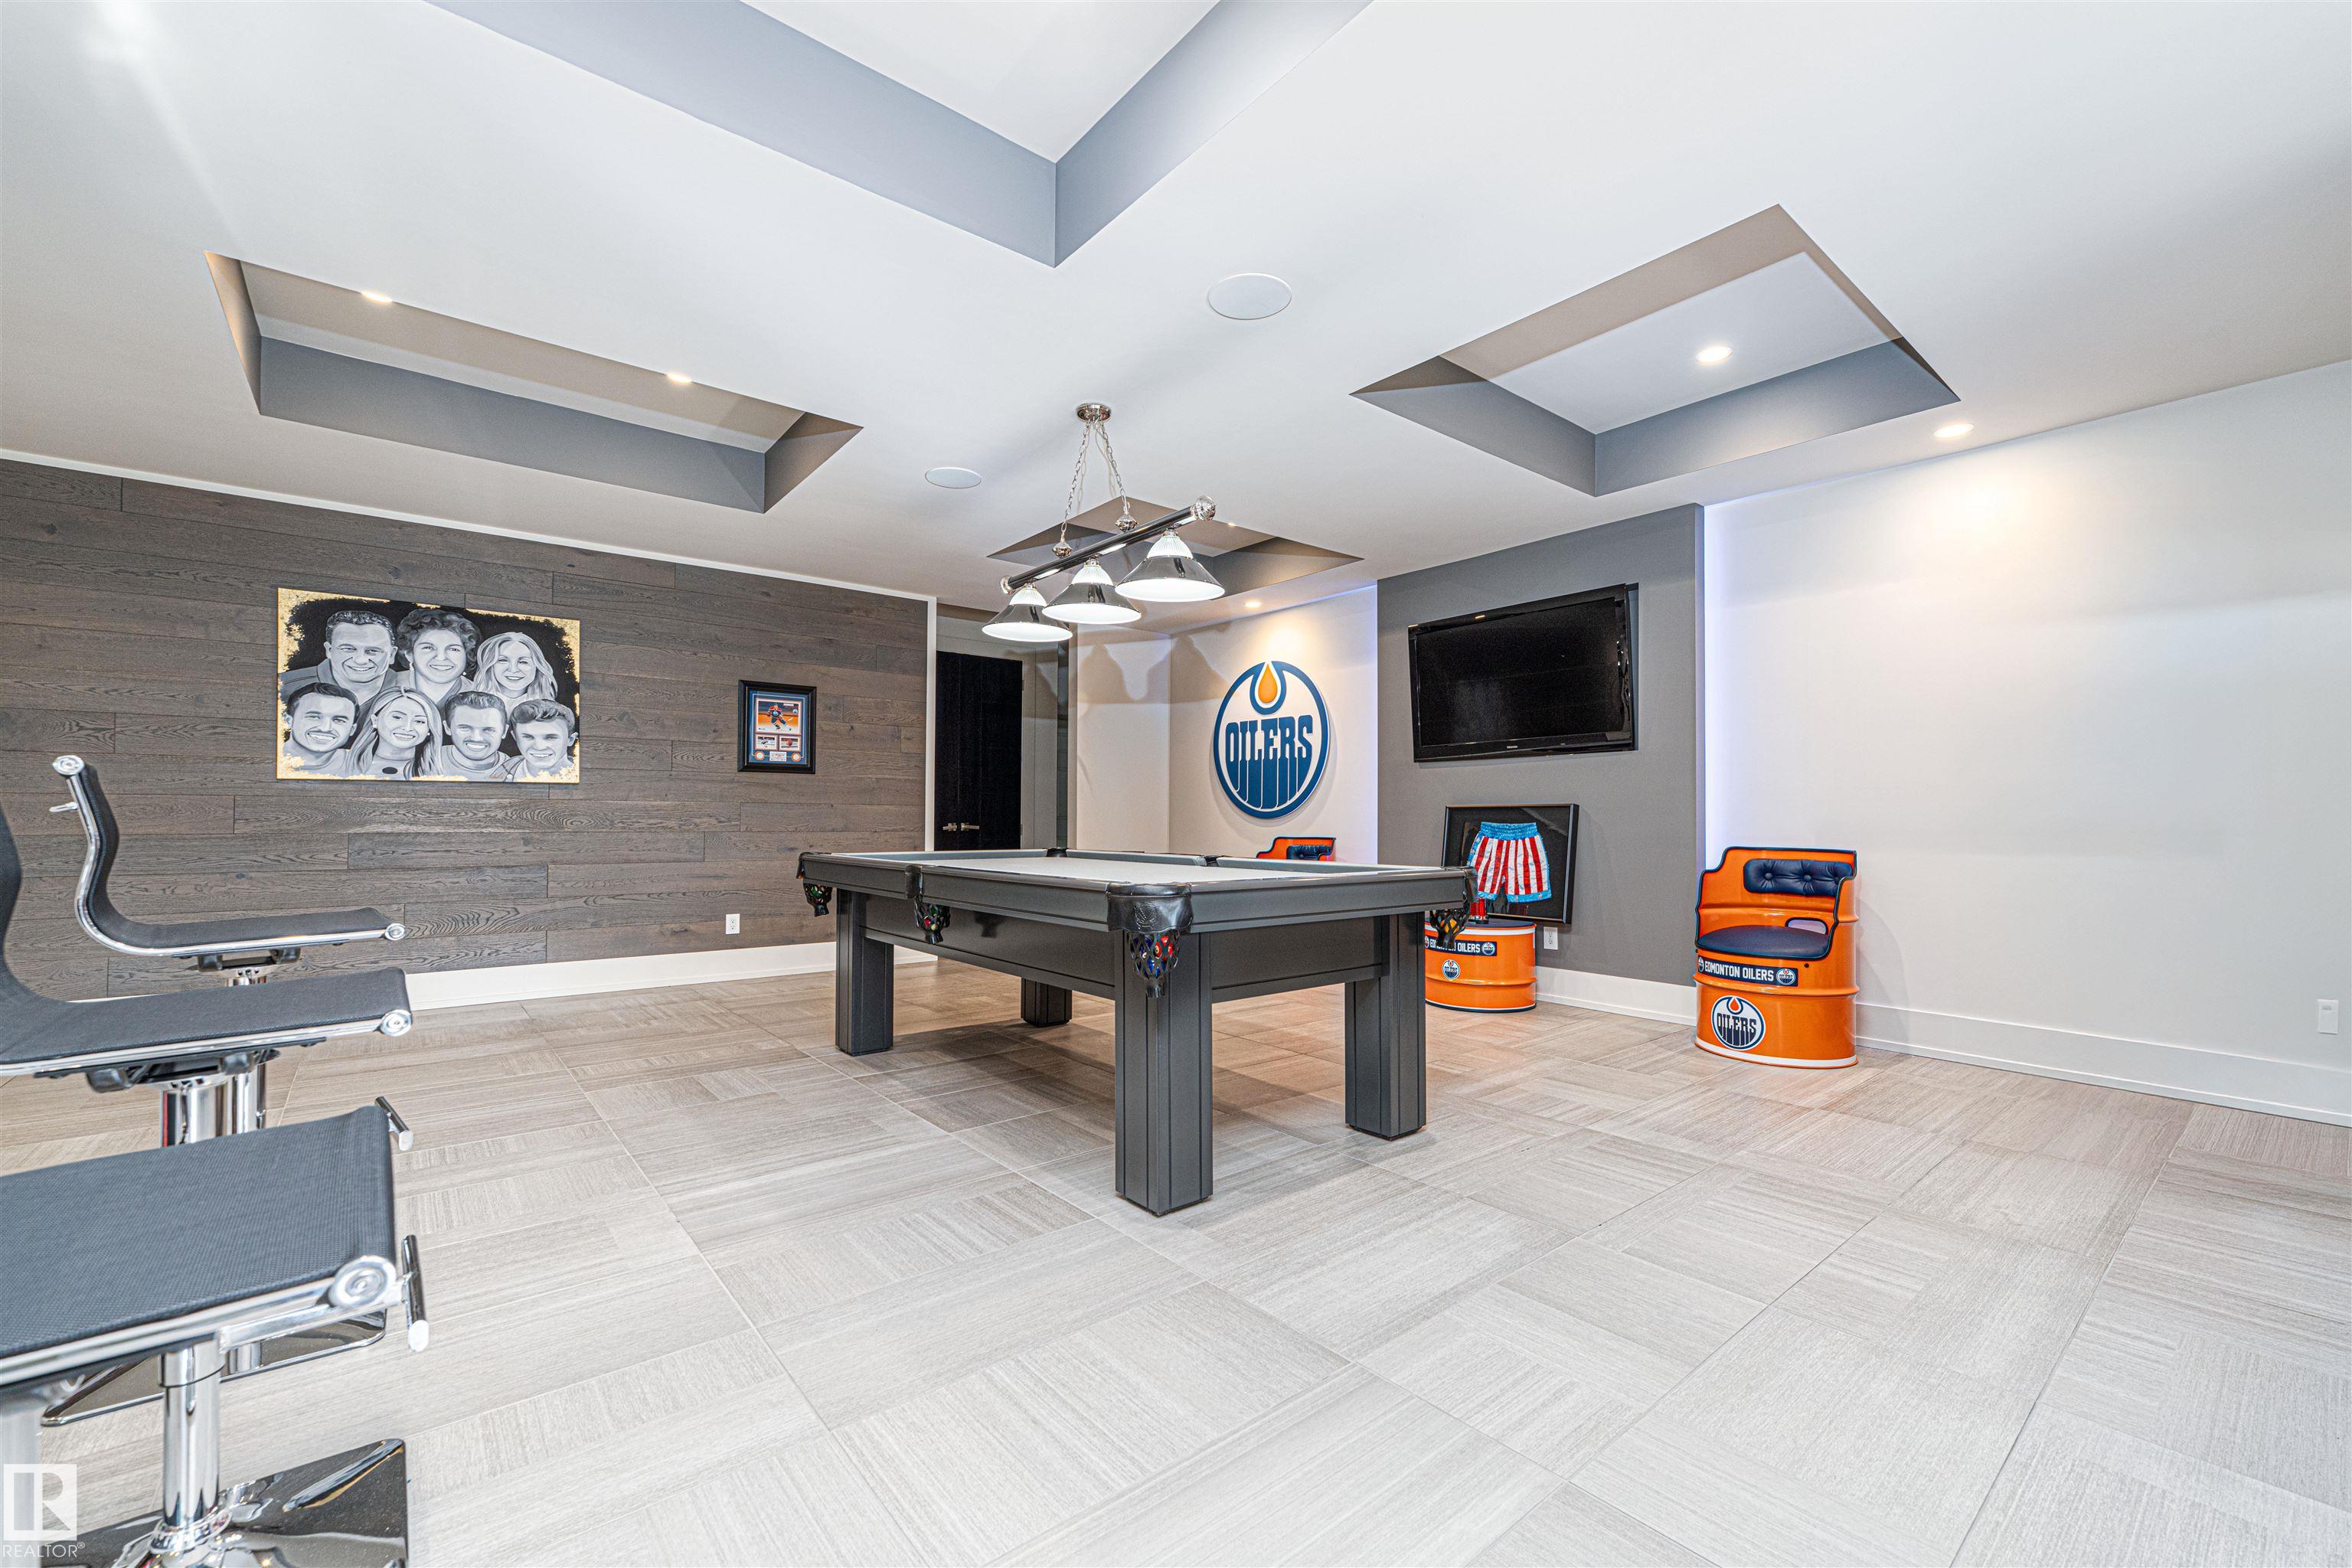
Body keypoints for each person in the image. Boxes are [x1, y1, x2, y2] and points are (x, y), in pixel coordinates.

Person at [279, 609, 396, 706]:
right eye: (348, 649)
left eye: (372, 651)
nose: (360, 660)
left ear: (391, 654)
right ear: (329, 650)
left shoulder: (405, 686)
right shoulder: (283, 688)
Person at [347, 689, 444, 782]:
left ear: (430, 728)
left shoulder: (441, 768)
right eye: (397, 717)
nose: (408, 728)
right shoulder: (344, 761)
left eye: (419, 721)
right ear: (375, 721)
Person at [393, 607, 479, 710]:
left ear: (467, 655)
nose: (441, 658)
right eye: (428, 648)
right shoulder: (388, 686)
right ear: (409, 654)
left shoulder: (479, 694)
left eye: (453, 649)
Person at [430, 691, 516, 781]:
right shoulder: (430, 759)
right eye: (465, 728)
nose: (476, 738)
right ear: (447, 728)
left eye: (488, 730)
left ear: (504, 731)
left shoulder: (514, 767)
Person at [280, 682, 359, 776]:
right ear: (288, 721)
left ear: (352, 729)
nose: (325, 728)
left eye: (339, 720)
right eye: (314, 717)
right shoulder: (271, 758)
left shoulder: (360, 764)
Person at [466, 630, 559, 707]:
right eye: (503, 660)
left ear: (537, 667)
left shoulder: (550, 709)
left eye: (523, 662)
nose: (513, 670)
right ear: (491, 666)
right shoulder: (470, 704)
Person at [508, 698, 578, 781]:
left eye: (551, 738)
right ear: (515, 737)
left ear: (570, 740)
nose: (539, 747)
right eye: (528, 737)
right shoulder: (501, 770)